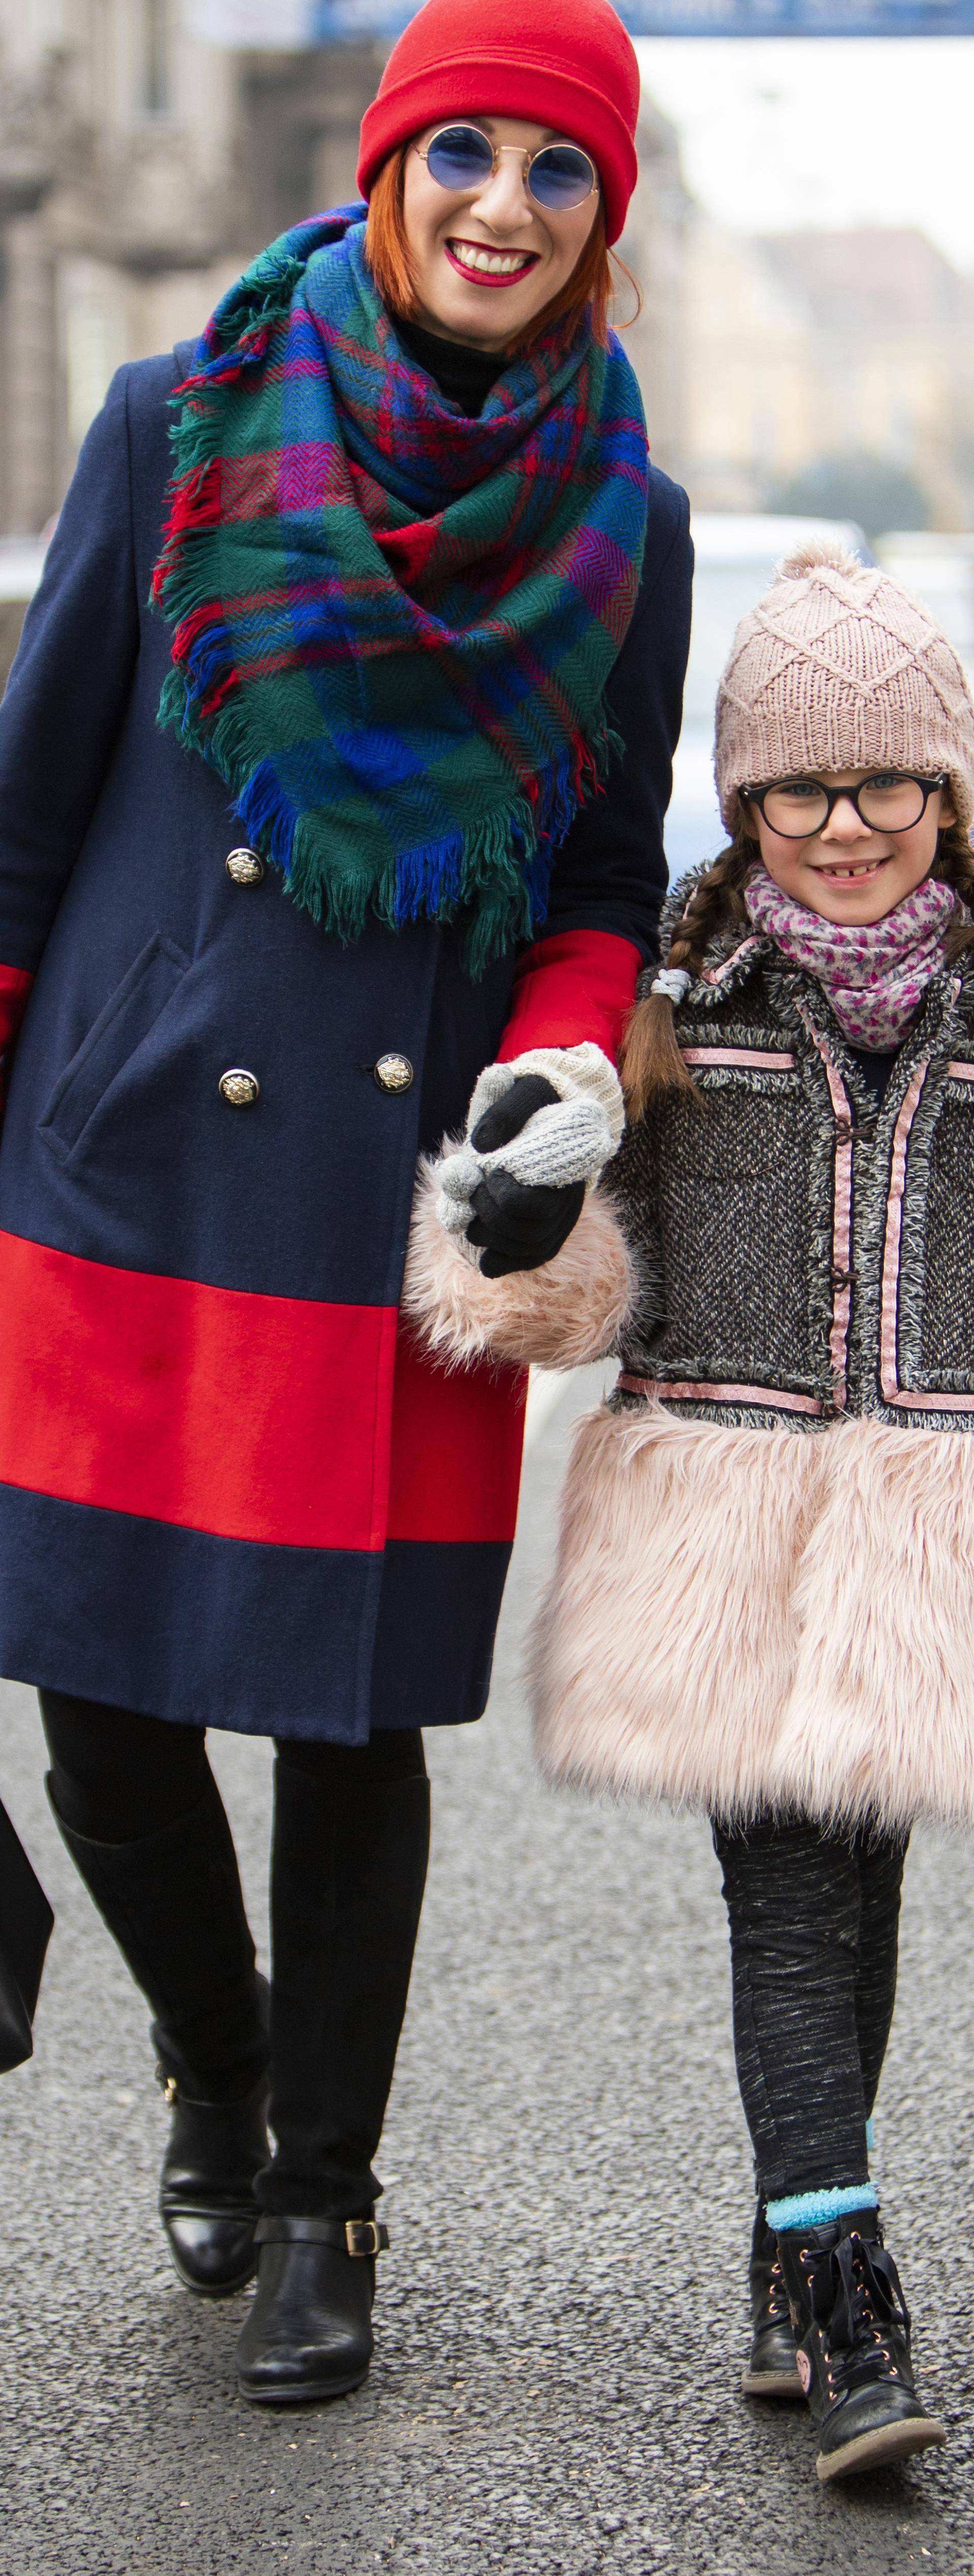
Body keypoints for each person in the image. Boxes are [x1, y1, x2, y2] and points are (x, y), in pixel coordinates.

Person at [0, 0, 691, 2404]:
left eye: (559, 172)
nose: (507, 202)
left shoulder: (632, 521)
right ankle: (212, 2049)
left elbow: (604, 878)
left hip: (401, 1205)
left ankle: (322, 2195)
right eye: (466, 152)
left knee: (347, 1724)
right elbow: (29, 798)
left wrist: (559, 1055)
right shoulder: (169, 427)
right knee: (96, 1699)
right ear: (394, 171)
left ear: (603, 219)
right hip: (127, 1161)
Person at [414, 539, 974, 2483]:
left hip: (924, 1533)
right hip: (726, 1525)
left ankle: (782, 2230)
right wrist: (513, 1219)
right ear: (740, 804)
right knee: (788, 1893)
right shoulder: (668, 1009)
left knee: (858, 1880)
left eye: (889, 782)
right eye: (798, 788)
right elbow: (565, 1305)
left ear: (949, 796)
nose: (845, 829)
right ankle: (848, 2285)